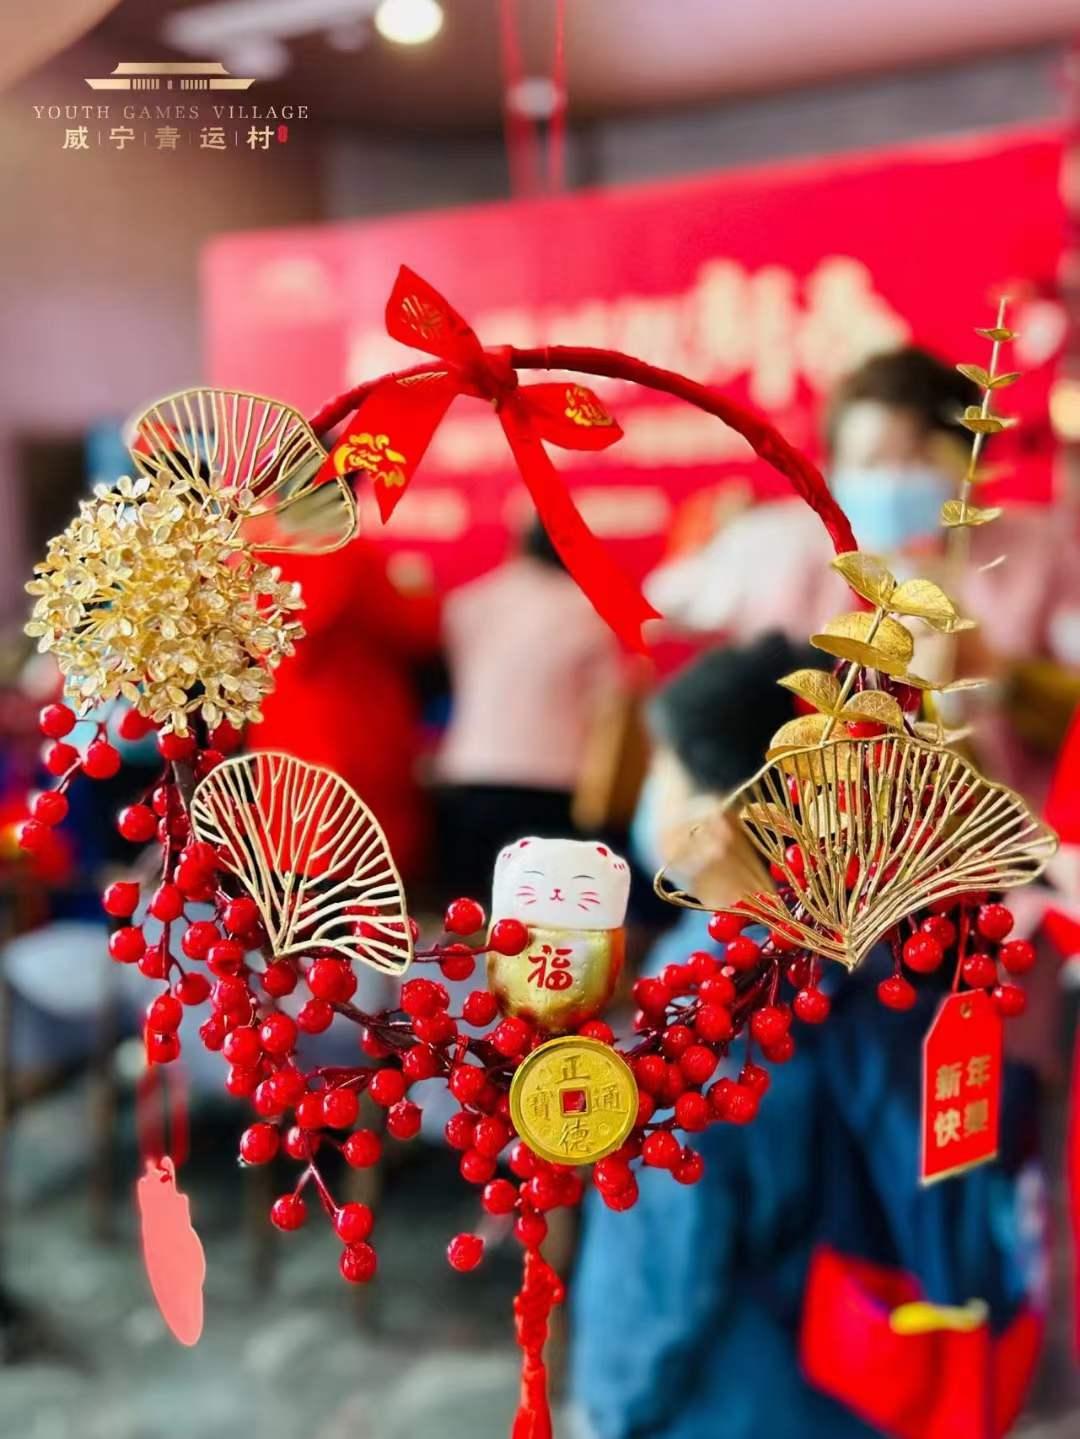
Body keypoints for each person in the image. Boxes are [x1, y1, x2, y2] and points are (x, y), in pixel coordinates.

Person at [569, 635, 1046, 1439]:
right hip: (888, 1385)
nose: (654, 798)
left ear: (721, 820)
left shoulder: (707, 1012)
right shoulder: (904, 955)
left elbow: (655, 1273)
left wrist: (608, 1406)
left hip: (735, 1405)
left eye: (666, 770)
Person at [645, 347, 1080, 803]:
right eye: (870, 462)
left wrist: (1003, 680)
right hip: (807, 818)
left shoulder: (1037, 553)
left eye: (918, 458)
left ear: (968, 463)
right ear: (833, 470)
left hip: (1000, 823)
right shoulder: (780, 544)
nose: (893, 481)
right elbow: (663, 605)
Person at [435, 516, 623, 895]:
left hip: (471, 773)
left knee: (466, 911)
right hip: (553, 779)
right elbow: (609, 703)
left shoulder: (468, 603)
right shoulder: (587, 612)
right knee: (542, 910)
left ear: (519, 546)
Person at [250, 539, 441, 879]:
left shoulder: (256, 554)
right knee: (356, 871)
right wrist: (420, 590)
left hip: (283, 733)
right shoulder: (351, 556)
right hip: (354, 733)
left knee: (292, 861)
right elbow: (415, 628)